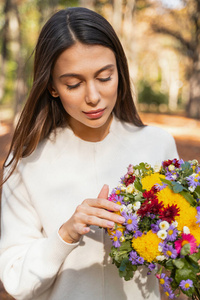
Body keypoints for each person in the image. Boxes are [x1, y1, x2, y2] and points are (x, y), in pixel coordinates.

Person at [0, 7, 178, 300]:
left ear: (119, 71)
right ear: (53, 87)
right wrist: (66, 234)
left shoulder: (158, 146)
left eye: (105, 77)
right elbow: (16, 280)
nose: (93, 96)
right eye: (73, 84)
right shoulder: (27, 162)